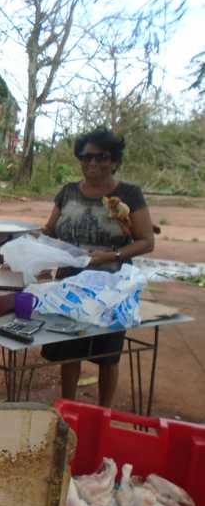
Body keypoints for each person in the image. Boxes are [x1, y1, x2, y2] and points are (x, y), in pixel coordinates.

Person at [41, 127, 155, 407]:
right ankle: (67, 408)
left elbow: (146, 241)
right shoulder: (67, 192)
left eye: (100, 157)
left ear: (114, 160)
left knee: (107, 355)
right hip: (69, 284)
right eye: (85, 156)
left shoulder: (129, 194)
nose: (91, 162)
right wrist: (31, 243)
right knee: (70, 352)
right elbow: (50, 230)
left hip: (112, 287)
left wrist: (111, 255)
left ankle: (103, 413)